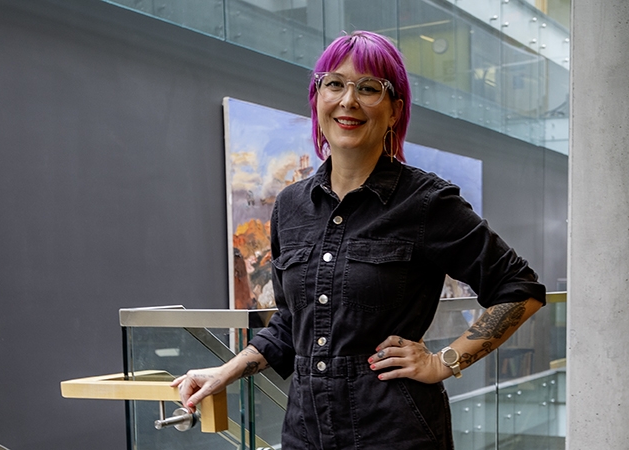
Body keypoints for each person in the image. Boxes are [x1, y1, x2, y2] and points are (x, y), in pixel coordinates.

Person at [172, 30, 546, 450]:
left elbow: (520, 288)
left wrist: (445, 361)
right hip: (306, 431)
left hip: (394, 431)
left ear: (393, 111)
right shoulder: (290, 206)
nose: (348, 100)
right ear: (317, 98)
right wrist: (224, 372)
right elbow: (290, 324)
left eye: (369, 88)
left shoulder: (427, 202)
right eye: (334, 84)